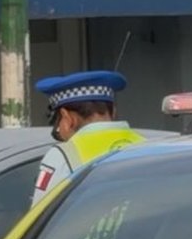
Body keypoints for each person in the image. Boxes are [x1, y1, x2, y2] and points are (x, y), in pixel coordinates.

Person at [29, 69, 147, 204]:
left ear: (67, 118)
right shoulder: (147, 146)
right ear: (113, 111)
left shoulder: (63, 155)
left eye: (57, 121)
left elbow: (41, 212)